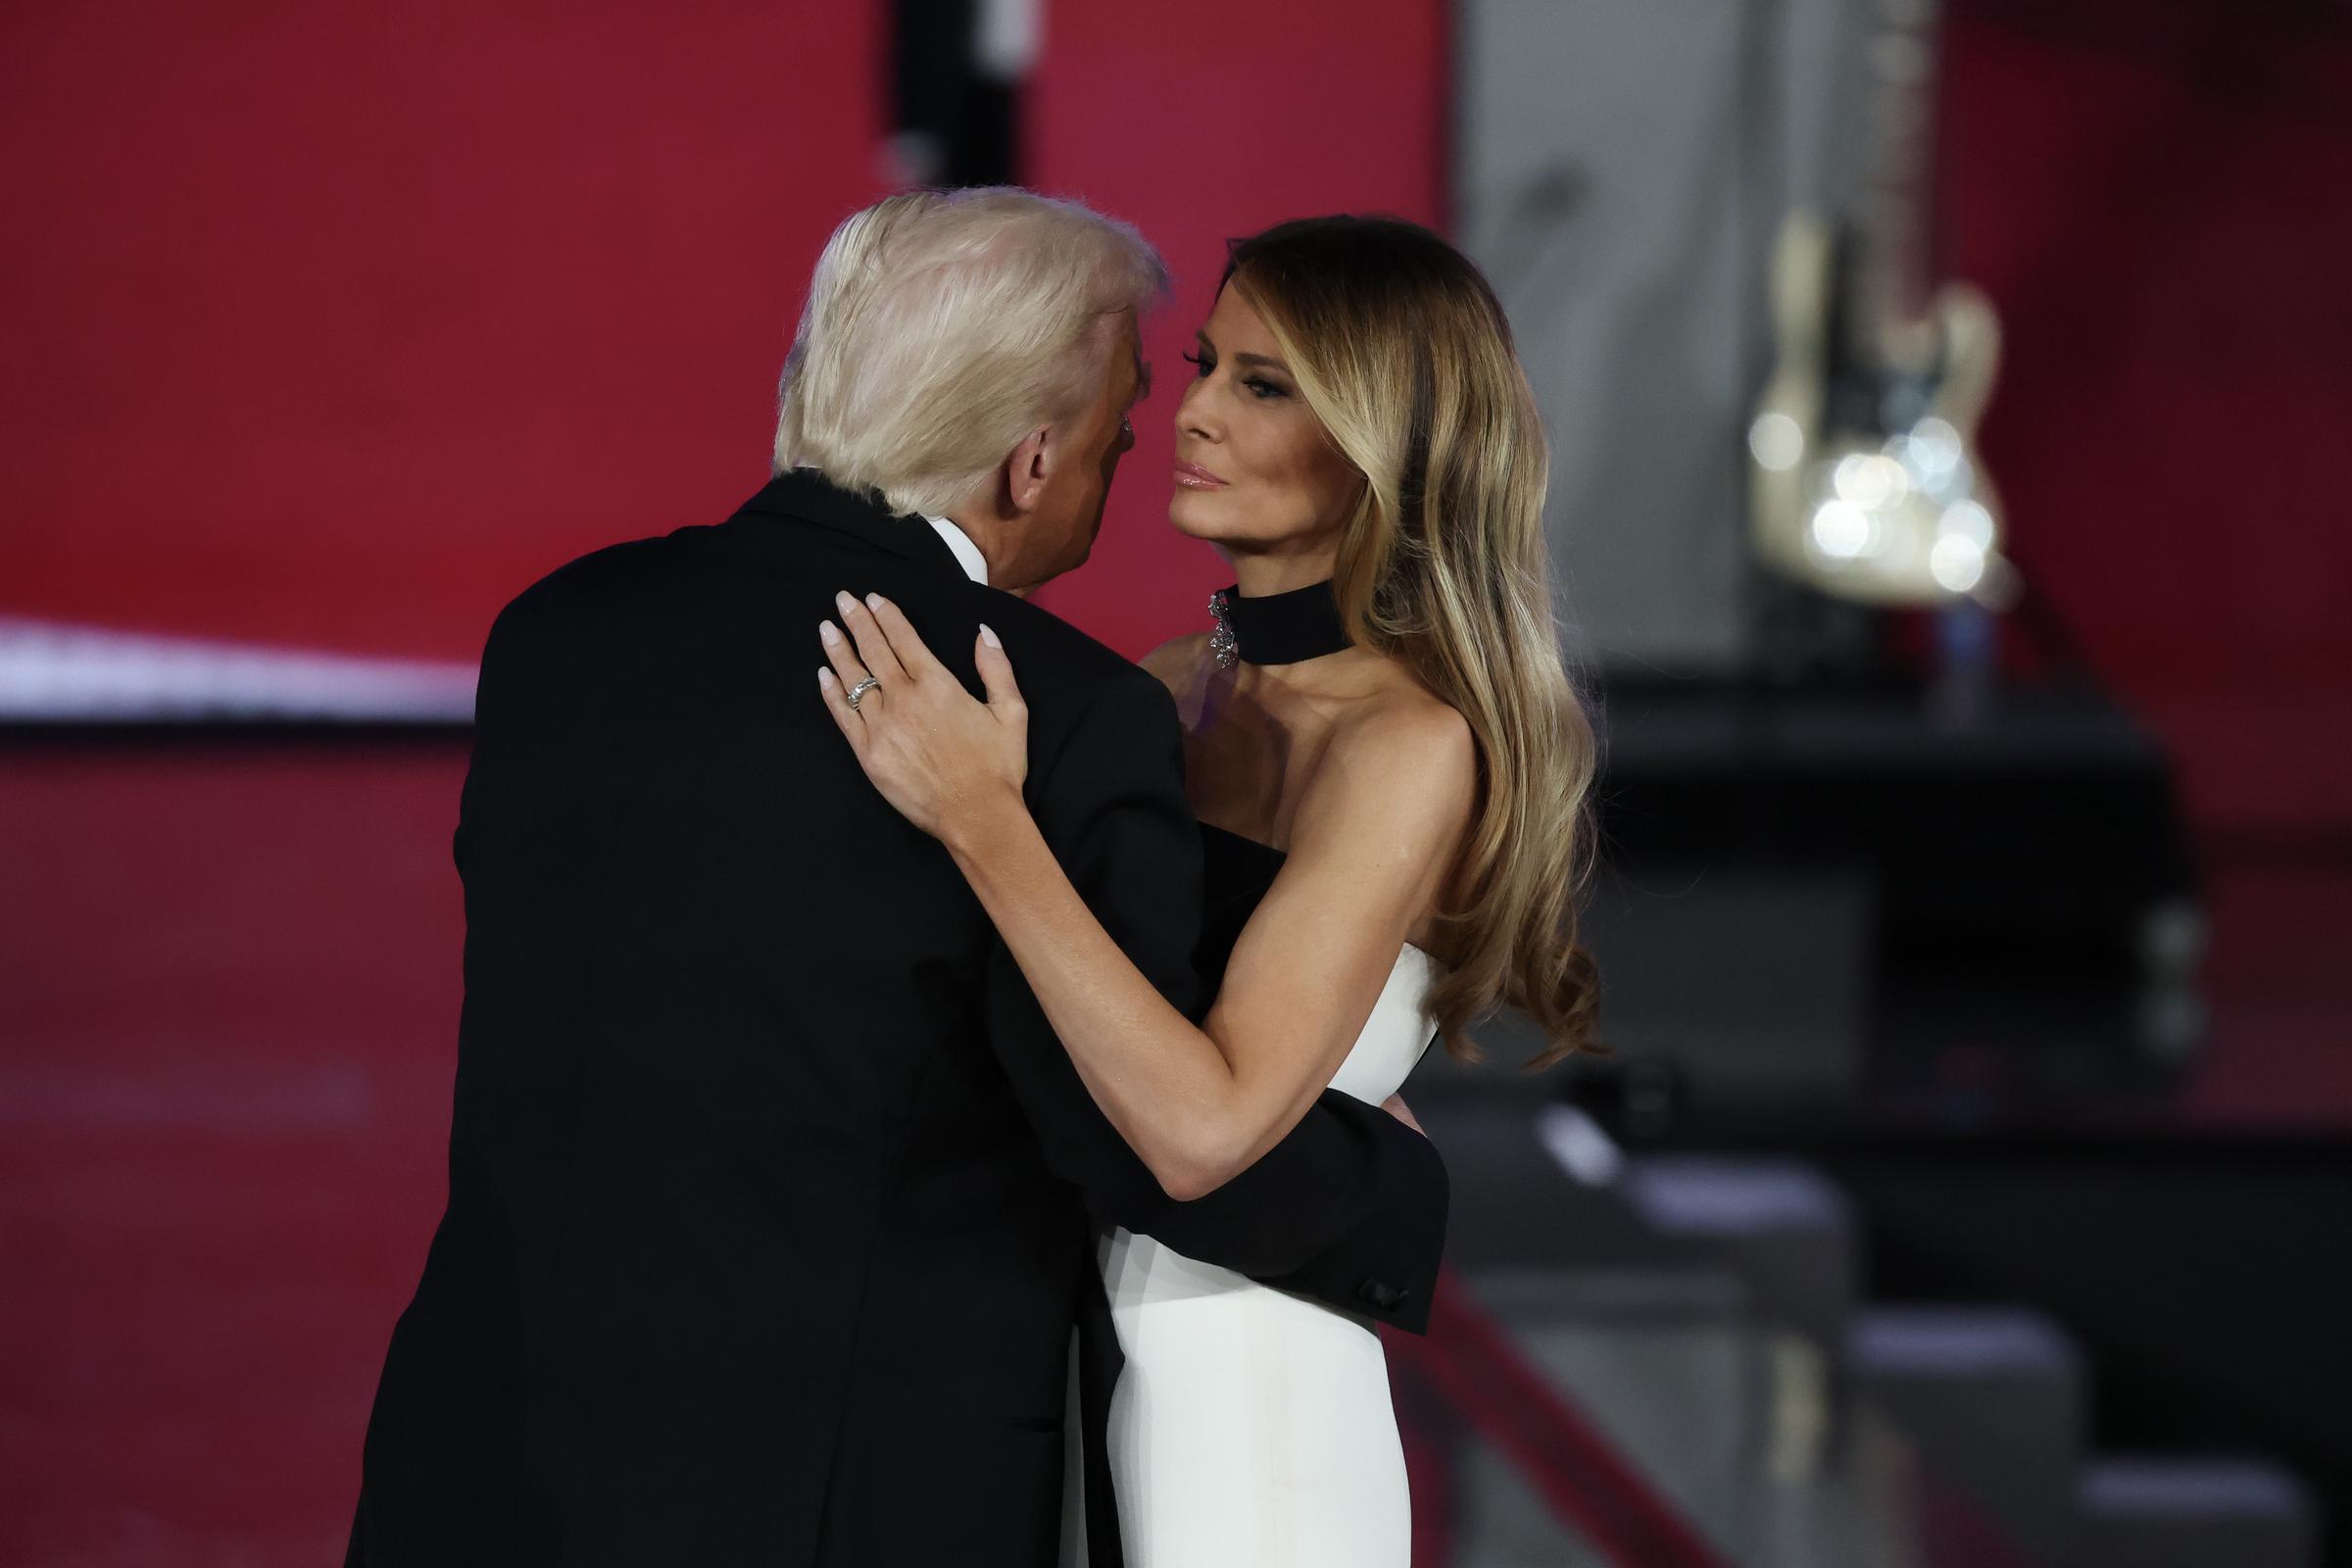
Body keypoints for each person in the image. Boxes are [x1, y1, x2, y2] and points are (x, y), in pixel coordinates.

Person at [344, 191, 1448, 1568]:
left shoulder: (560, 632)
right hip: (829, 1496)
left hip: (487, 1462)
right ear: (1033, 462)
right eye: (1122, 423)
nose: (1155, 435)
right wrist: (1393, 1191)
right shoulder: (1051, 708)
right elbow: (1136, 1140)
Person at [818, 214, 1601, 1566]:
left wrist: (984, 822)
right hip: (1072, 1360)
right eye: (1202, 366)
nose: (1190, 416)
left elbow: (1203, 1129)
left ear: (1381, 443)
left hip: (1254, 1406)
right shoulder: (1171, 685)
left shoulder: (1407, 743)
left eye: (1264, 385)